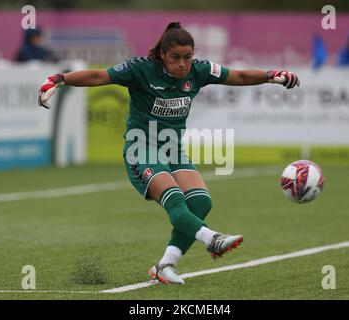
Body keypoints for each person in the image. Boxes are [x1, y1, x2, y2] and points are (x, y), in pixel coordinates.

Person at [37, 22, 300, 285]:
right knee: (174, 198)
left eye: (187, 57)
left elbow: (239, 77)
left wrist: (271, 75)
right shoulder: (140, 69)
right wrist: (59, 79)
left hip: (172, 149)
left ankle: (166, 265)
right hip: (140, 147)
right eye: (176, 57)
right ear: (162, 54)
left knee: (201, 203)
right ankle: (212, 239)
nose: (183, 64)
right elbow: (98, 77)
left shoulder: (199, 71)